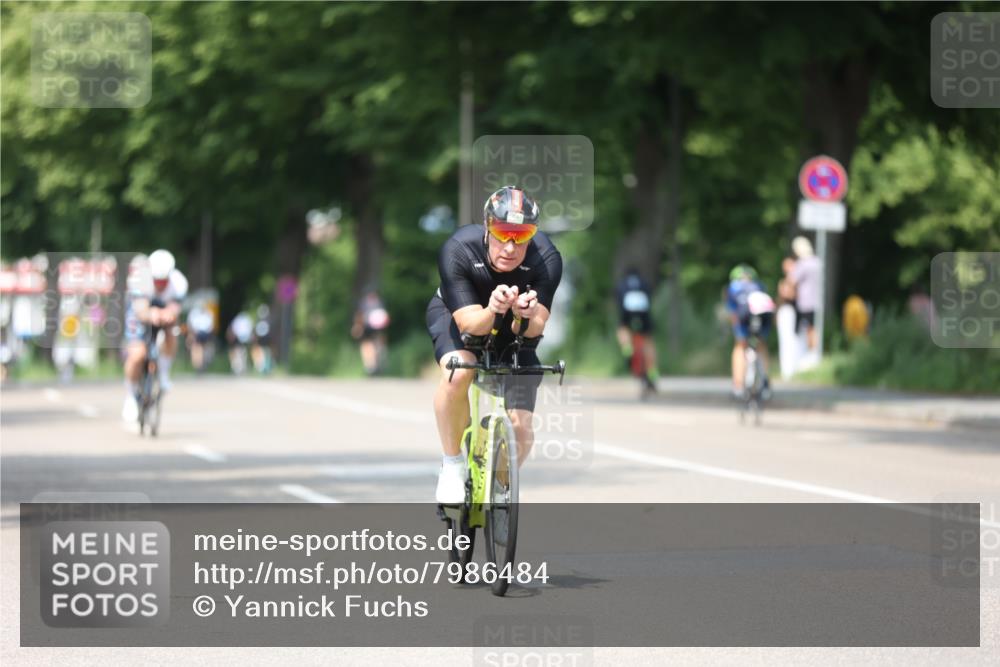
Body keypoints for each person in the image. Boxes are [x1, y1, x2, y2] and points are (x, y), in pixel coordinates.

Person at [426, 185, 562, 504]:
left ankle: (500, 484)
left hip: (511, 327)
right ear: (488, 226)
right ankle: (452, 464)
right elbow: (470, 325)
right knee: (458, 374)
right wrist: (492, 309)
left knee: (523, 428)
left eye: (522, 234)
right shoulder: (459, 248)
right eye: (502, 233)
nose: (511, 247)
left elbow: (534, 329)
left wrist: (522, 315)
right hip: (461, 315)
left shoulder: (547, 258)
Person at [122, 250, 188, 421]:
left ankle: (164, 373)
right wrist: (152, 314)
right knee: (137, 355)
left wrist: (168, 315)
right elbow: (140, 310)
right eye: (156, 280)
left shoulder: (179, 283)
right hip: (140, 312)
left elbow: (175, 308)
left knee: (172, 332)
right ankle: (130, 396)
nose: (159, 284)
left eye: (163, 281)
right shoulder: (139, 280)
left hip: (163, 309)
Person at [726, 264, 774, 400]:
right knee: (761, 345)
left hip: (744, 316)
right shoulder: (759, 285)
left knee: (740, 346)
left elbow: (733, 314)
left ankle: (738, 385)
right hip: (763, 316)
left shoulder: (733, 287)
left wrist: (739, 332)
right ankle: (765, 383)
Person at [615, 269, 658, 393]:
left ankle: (627, 349)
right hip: (644, 311)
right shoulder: (644, 283)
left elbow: (619, 302)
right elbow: (649, 299)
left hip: (627, 310)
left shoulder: (622, 284)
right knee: (648, 341)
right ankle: (653, 373)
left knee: (622, 329)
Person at [790, 236, 822, 354]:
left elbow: (792, 281)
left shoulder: (802, 263)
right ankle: (815, 352)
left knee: (807, 329)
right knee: (813, 327)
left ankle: (810, 353)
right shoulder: (817, 261)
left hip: (805, 301)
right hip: (816, 299)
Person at [351, 291, 390, 376]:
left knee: (366, 344)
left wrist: (357, 327)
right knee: (371, 343)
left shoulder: (364, 303)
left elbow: (359, 316)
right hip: (374, 327)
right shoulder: (379, 302)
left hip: (369, 327)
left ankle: (370, 365)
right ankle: (374, 362)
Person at [186, 301, 215, 373]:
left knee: (205, 349)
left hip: (205, 334)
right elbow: (190, 325)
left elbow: (211, 326)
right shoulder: (194, 313)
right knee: (196, 349)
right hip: (197, 333)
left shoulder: (208, 314)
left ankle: (204, 362)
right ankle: (198, 366)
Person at [227, 310, 254, 375]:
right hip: (242, 338)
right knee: (241, 353)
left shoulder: (238, 319)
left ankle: (239, 368)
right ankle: (239, 368)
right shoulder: (246, 319)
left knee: (240, 352)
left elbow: (234, 329)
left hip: (241, 337)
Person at [251, 304, 273, 374]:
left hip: (265, 341)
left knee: (266, 354)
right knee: (262, 355)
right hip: (262, 341)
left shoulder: (266, 322)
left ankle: (266, 369)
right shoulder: (265, 322)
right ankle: (263, 369)